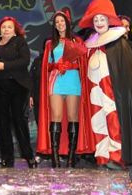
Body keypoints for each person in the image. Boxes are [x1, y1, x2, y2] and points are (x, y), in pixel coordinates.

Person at [81, 0, 132, 169]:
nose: (99, 23)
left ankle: (117, 156)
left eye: (102, 19)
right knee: (99, 122)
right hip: (95, 92)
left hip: (112, 91)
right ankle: (103, 156)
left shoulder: (118, 42)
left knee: (113, 120)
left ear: (109, 20)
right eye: (96, 20)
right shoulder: (91, 44)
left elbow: (124, 72)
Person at [36, 9, 93, 168]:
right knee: (56, 116)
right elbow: (47, 66)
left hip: (73, 81)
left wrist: (70, 65)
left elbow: (83, 63)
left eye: (62, 21)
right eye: (57, 22)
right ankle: (55, 157)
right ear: (54, 25)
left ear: (67, 23)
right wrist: (57, 65)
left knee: (73, 116)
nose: (60, 24)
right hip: (56, 81)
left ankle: (71, 157)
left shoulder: (77, 41)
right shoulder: (50, 43)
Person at [0, 16, 37, 169]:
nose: (6, 29)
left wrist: (4, 66)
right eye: (3, 27)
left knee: (19, 122)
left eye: (9, 27)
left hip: (17, 86)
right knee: (2, 124)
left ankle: (29, 156)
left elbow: (24, 61)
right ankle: (7, 159)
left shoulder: (20, 42)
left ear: (15, 30)